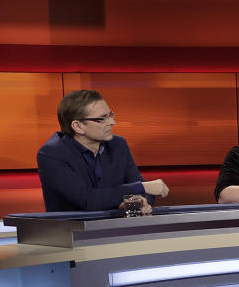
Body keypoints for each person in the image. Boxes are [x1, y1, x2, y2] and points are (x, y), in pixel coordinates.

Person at [37, 89, 169, 213]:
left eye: (110, 115)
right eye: (102, 119)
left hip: (114, 230)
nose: (112, 122)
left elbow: (139, 186)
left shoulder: (118, 145)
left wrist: (138, 202)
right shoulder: (51, 154)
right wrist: (141, 187)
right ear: (78, 126)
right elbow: (88, 200)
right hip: (70, 232)